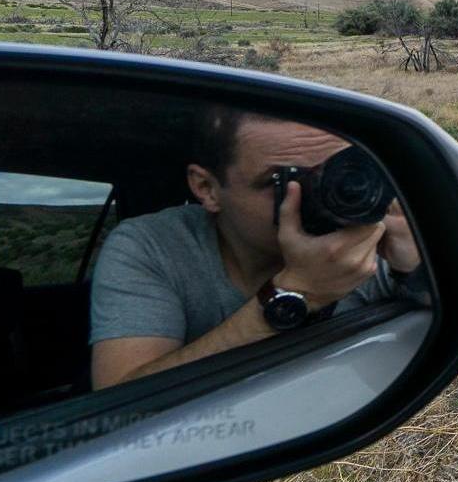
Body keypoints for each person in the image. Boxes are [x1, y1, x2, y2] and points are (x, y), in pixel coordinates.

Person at [89, 106, 425, 389]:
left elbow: (457, 317)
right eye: (285, 182)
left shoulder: (368, 237)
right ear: (207, 188)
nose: (318, 196)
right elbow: (119, 402)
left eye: (333, 173)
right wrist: (297, 294)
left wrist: (415, 267)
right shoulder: (153, 247)